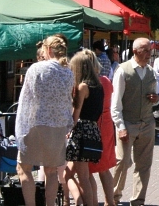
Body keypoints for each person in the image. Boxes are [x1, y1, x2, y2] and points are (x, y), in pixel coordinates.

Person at [16, 35, 74, 206]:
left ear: (48, 50)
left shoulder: (36, 69)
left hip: (36, 124)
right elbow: (67, 101)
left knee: (23, 168)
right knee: (52, 171)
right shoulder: (68, 72)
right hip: (58, 127)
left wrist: (20, 128)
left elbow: (26, 99)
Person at [112, 38, 159, 206]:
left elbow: (155, 95)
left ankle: (138, 200)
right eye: (146, 51)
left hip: (147, 123)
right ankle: (114, 196)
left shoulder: (151, 71)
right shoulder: (123, 71)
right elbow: (115, 102)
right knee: (122, 162)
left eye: (150, 51)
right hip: (128, 123)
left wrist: (155, 98)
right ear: (136, 51)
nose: (149, 54)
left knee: (144, 164)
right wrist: (120, 126)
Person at [65, 50, 104, 206]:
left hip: (82, 131)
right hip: (93, 130)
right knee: (77, 173)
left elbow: (75, 115)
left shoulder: (83, 87)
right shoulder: (99, 86)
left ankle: (88, 204)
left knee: (83, 176)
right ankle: (80, 201)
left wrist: (66, 129)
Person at [88, 70, 116, 206]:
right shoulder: (106, 80)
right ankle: (110, 201)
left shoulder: (84, 84)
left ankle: (93, 202)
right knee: (104, 168)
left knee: (86, 169)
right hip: (106, 123)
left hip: (92, 123)